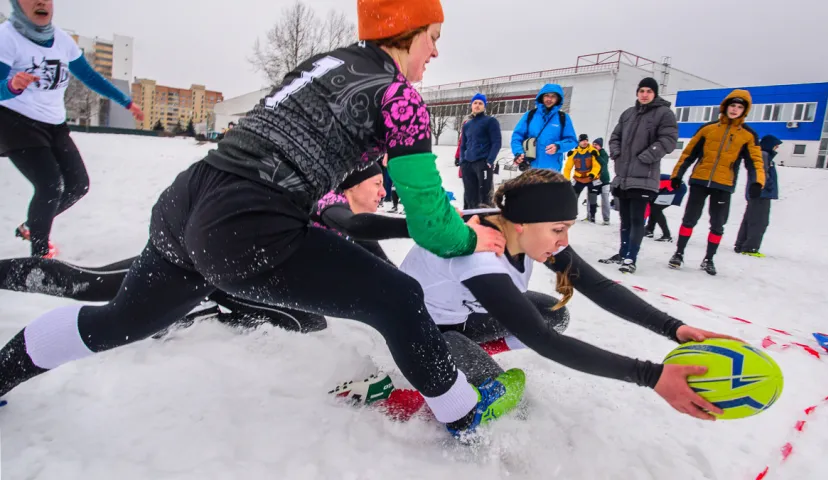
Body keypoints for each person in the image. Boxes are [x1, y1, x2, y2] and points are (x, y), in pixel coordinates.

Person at [0, 0, 525, 438]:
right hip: (249, 223)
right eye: (433, 36)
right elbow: (433, 226)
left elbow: (305, 139)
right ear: (404, 33)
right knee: (399, 298)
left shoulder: (328, 63)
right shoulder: (400, 97)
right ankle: (463, 413)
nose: (436, 51)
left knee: (118, 320)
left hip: (188, 200)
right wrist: (469, 238)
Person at [339, 169, 740, 422]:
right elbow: (542, 341)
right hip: (417, 332)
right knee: (499, 399)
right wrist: (652, 377)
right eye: (558, 229)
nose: (563, 241)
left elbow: (598, 286)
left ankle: (468, 358)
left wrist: (676, 329)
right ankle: (409, 385)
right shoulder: (475, 253)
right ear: (521, 225)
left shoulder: (524, 229)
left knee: (552, 311)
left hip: (460, 321)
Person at [0, 162, 403, 335]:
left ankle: (207, 306)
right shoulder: (330, 206)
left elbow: (388, 275)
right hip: (209, 260)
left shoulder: (346, 217)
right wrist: (420, 227)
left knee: (101, 285)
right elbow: (356, 226)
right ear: (351, 186)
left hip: (213, 261)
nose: (383, 191)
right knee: (96, 286)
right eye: (376, 184)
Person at [0, 0, 144, 259]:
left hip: (54, 124)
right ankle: (40, 258)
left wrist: (127, 102)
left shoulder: (62, 41)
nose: (41, 2)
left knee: (78, 185)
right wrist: (10, 85)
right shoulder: (7, 38)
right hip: (15, 122)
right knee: (50, 185)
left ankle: (32, 226)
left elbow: (90, 77)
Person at [668, 90, 765, 276]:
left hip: (723, 184)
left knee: (718, 224)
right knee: (689, 219)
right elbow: (688, 154)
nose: (735, 110)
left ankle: (709, 259)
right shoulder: (708, 129)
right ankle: (678, 253)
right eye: (732, 105)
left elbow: (755, 162)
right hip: (699, 181)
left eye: (739, 107)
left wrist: (757, 182)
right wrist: (677, 175)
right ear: (725, 106)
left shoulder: (748, 135)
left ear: (744, 111)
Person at [601, 78, 678, 274]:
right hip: (623, 176)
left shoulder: (664, 113)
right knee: (625, 219)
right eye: (642, 90)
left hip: (645, 176)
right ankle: (622, 251)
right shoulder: (628, 114)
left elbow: (669, 140)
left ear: (655, 94)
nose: (644, 94)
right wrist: (616, 152)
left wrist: (646, 156)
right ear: (637, 92)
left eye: (649, 91)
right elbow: (615, 137)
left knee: (637, 219)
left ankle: (630, 257)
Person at [510, 84, 577, 173]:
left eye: (553, 96)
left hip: (551, 172)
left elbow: (572, 140)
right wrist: (519, 153)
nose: (549, 99)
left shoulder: (563, 117)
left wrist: (558, 146)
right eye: (546, 95)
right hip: (530, 170)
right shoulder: (530, 115)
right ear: (541, 97)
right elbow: (517, 137)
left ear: (558, 99)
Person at [735, 135, 781, 257]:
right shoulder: (764, 156)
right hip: (761, 193)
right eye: (776, 146)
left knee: (749, 219)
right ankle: (750, 248)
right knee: (759, 221)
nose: (777, 148)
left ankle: (741, 245)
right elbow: (763, 174)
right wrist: (769, 187)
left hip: (756, 192)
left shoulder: (761, 155)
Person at [459, 93, 501, 208]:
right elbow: (463, 145)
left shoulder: (490, 121)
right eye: (475, 103)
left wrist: (490, 160)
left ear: (484, 106)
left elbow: (496, 142)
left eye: (480, 103)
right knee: (469, 195)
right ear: (471, 105)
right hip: (468, 164)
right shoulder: (467, 125)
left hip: (483, 163)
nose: (477, 105)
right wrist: (462, 161)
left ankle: (486, 220)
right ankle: (469, 220)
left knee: (485, 195)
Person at [562, 134, 601, 222]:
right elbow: (567, 168)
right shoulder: (574, 153)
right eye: (583, 141)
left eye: (586, 140)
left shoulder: (593, 151)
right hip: (579, 178)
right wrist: (566, 179)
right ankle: (572, 214)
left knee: (592, 197)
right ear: (579, 142)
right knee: (573, 196)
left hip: (591, 178)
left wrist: (592, 174)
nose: (585, 142)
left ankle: (592, 216)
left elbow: (597, 165)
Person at [645, 174, 687, 242]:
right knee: (653, 206)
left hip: (677, 189)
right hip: (670, 187)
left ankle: (666, 235)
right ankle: (649, 230)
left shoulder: (650, 183)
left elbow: (647, 208)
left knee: (656, 209)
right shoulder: (647, 182)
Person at [589, 137, 612, 225]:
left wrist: (597, 156)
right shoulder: (591, 152)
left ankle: (606, 218)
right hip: (594, 179)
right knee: (591, 197)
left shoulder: (603, 153)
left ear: (600, 146)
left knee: (605, 199)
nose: (594, 146)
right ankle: (590, 216)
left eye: (596, 145)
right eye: (593, 144)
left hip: (604, 180)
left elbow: (603, 163)